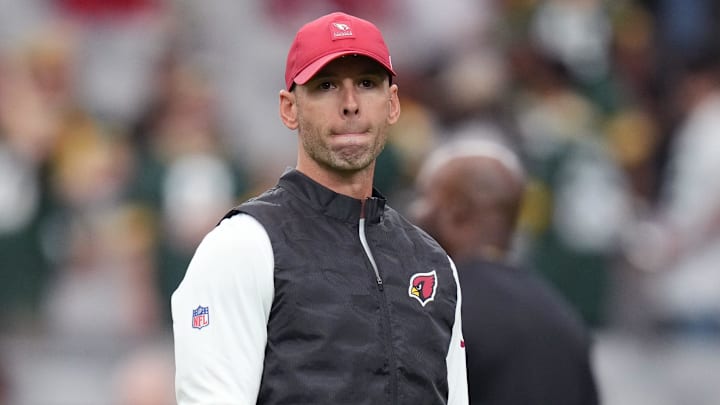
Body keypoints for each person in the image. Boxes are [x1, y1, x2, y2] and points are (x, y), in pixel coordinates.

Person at [171, 11, 468, 405]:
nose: (349, 104)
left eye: (366, 83)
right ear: (289, 108)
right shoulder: (243, 245)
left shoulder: (433, 263)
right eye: (326, 85)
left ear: (392, 104)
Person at [411, 135, 599, 405]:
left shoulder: (438, 308)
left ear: (456, 212)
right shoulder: (564, 320)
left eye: (424, 198)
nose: (415, 214)